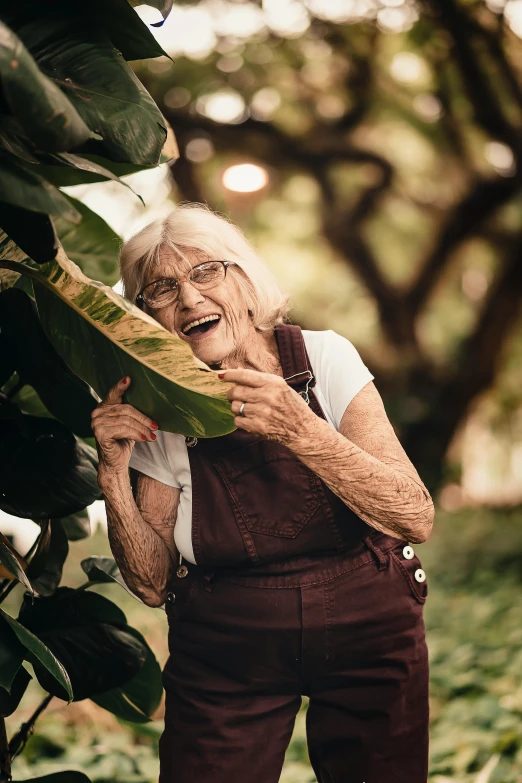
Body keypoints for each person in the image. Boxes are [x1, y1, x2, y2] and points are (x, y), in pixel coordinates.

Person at [91, 203, 434, 783]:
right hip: (228, 648)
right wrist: (112, 478)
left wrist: (301, 430)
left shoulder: (323, 357)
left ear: (244, 279)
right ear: (146, 314)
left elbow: (413, 515)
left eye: (207, 272)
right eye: (162, 289)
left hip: (368, 625)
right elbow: (150, 584)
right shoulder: (155, 408)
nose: (190, 300)